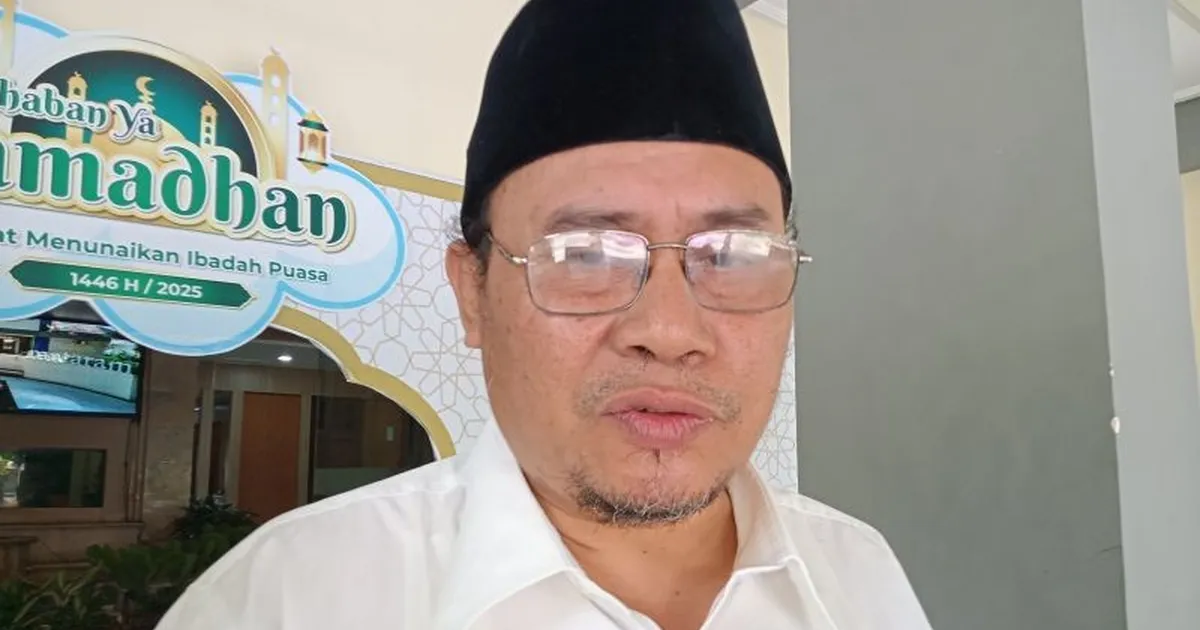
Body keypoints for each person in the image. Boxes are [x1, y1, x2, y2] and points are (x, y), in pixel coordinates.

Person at [156, 0, 933, 628]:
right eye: (586, 254)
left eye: (729, 254)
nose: (670, 332)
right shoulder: (292, 598)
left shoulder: (856, 573)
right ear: (473, 292)